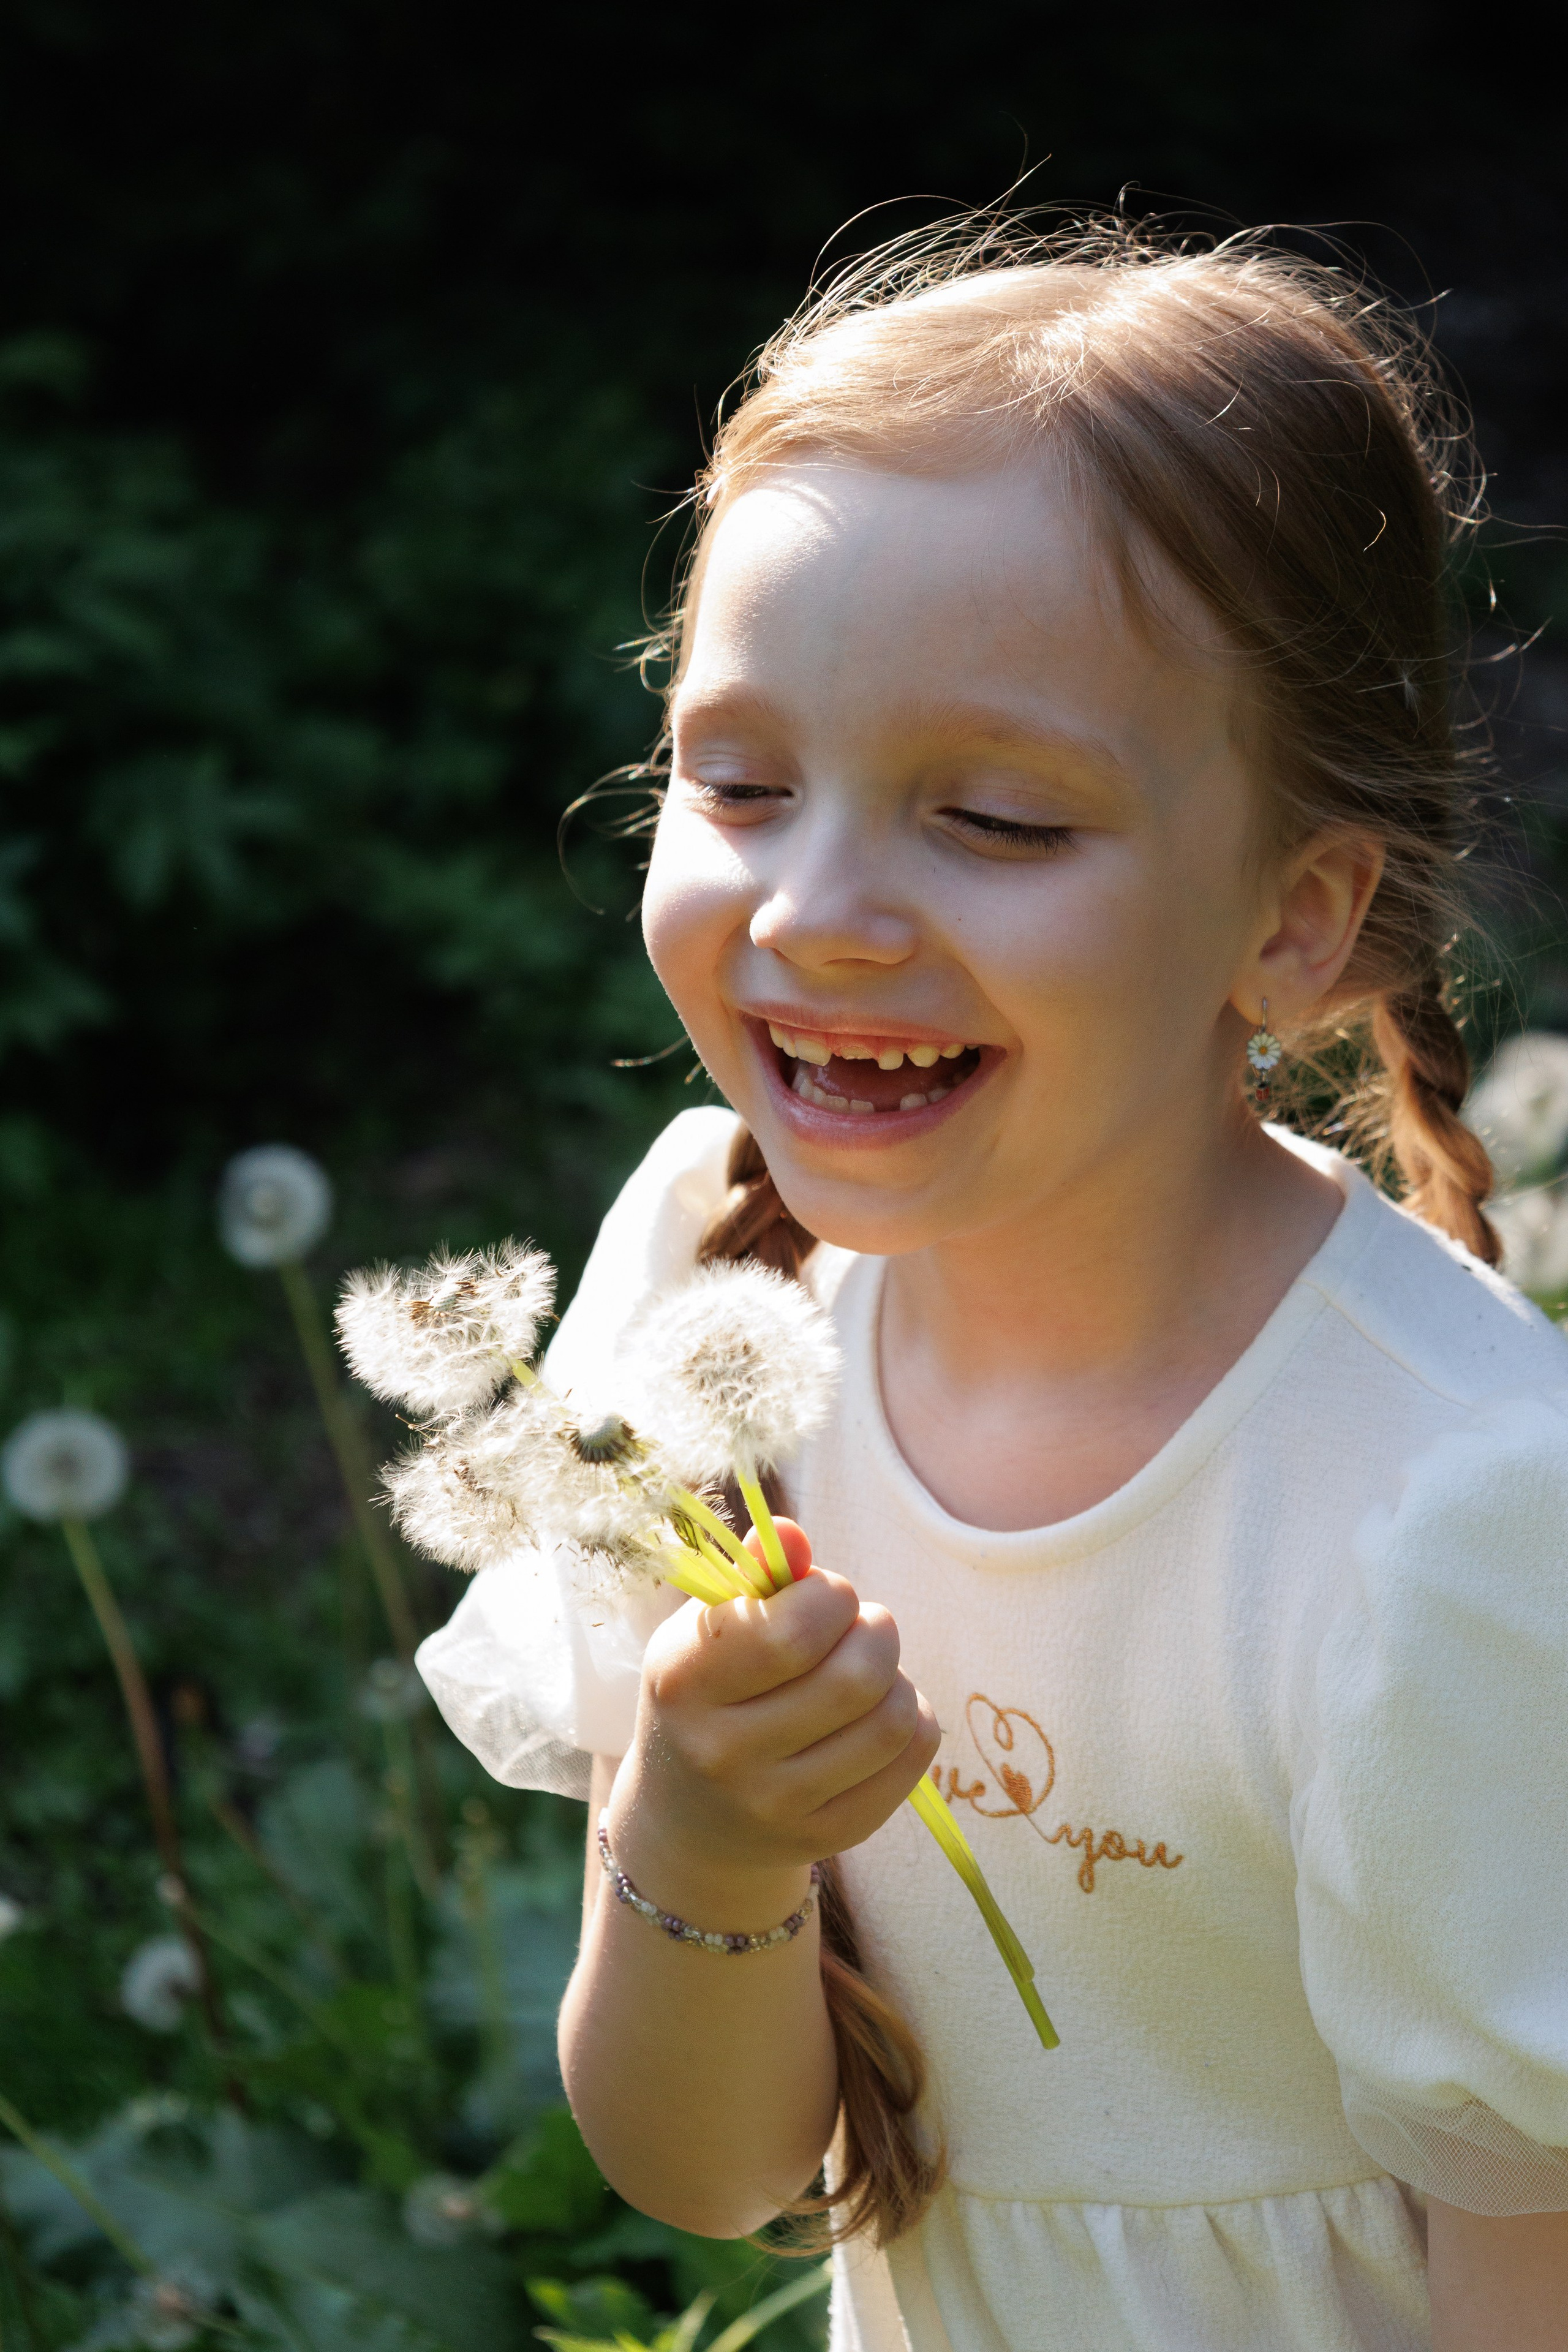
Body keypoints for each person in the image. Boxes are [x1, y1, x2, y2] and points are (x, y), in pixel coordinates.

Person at [417, 218, 1568, 2350]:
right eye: (742, 781)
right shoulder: (706, 1317)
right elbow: (715, 2168)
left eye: (998, 821)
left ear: (1300, 920)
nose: (823, 911)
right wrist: (711, 1835)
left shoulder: (1464, 1521)